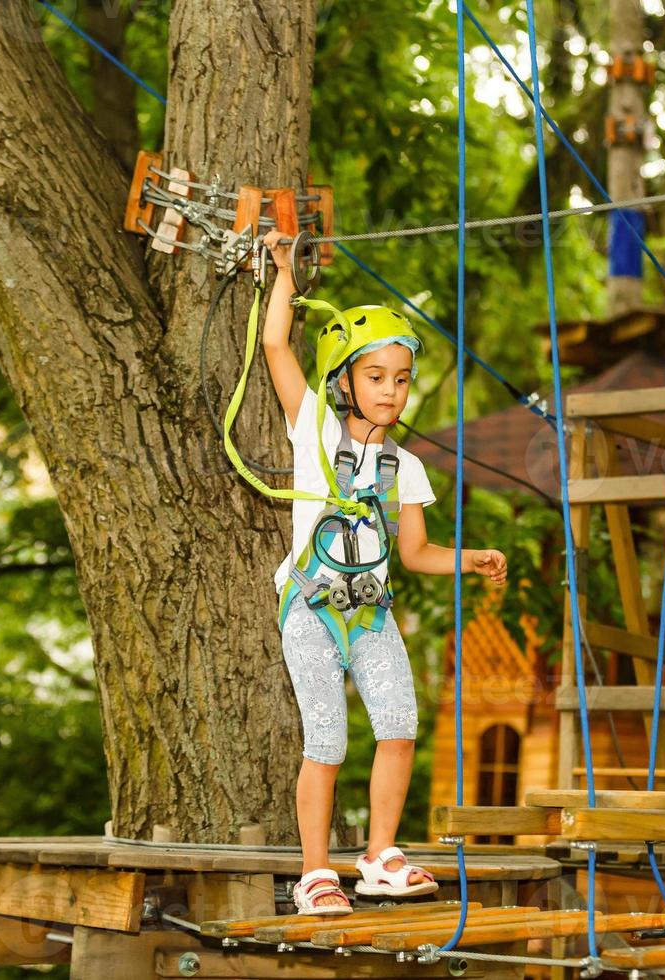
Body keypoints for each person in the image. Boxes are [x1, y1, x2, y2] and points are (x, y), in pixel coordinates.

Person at [258, 230, 508, 915]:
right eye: (376, 377)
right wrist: (284, 274)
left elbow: (416, 554)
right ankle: (316, 872)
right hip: (311, 607)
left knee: (399, 723)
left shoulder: (407, 467)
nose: (391, 391)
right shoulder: (312, 427)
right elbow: (278, 347)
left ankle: (378, 855)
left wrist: (470, 559)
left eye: (400, 379)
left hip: (370, 609)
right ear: (345, 380)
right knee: (328, 735)